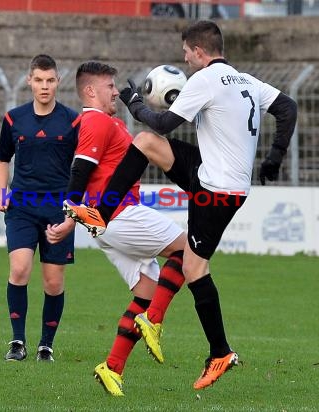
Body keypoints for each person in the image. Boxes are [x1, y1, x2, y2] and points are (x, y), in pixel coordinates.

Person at [65, 20, 298, 390]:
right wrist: (274, 156)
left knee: (194, 267)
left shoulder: (205, 81)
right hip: (213, 175)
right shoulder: (246, 81)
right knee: (144, 143)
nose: (185, 59)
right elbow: (288, 108)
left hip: (216, 190)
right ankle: (102, 215)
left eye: (187, 52)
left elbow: (163, 121)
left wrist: (133, 101)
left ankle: (220, 352)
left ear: (200, 51)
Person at [45, 61, 187, 396]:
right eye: (110, 87)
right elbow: (80, 170)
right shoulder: (95, 120)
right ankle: (154, 320)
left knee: (145, 293)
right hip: (119, 216)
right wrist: (69, 216)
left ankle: (111, 368)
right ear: (91, 91)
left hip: (104, 224)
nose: (115, 92)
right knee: (189, 249)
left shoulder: (100, 121)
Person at [0, 54, 80, 363]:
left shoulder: (73, 120)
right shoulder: (13, 119)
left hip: (58, 210)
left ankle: (46, 344)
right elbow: (3, 158)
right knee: (19, 270)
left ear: (58, 82)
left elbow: (84, 166)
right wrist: (2, 192)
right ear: (29, 81)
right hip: (22, 206)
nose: (44, 86)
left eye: (50, 80)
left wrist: (78, 204)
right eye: (39, 80)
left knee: (53, 282)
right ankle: (17, 341)